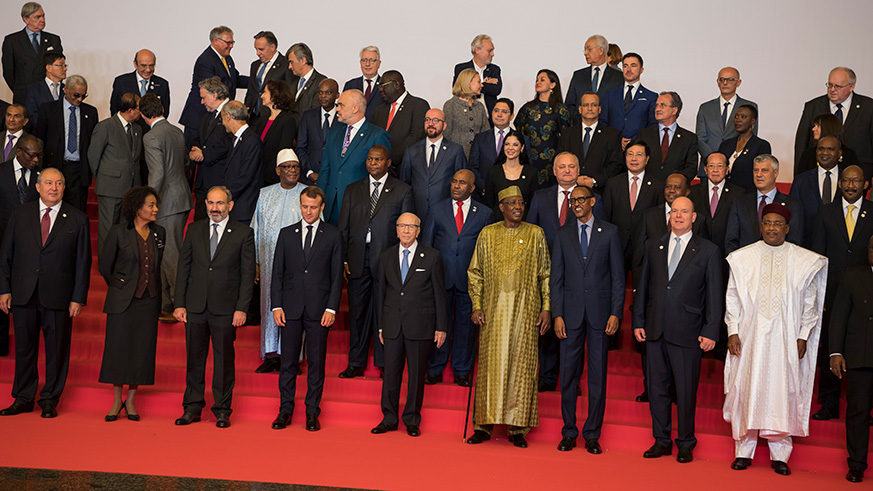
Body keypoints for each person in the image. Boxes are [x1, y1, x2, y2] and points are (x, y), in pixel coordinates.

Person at [723, 203, 827, 476]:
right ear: (761, 226)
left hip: (785, 339)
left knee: (781, 392)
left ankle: (780, 454)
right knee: (748, 388)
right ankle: (743, 451)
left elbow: (810, 303)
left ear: (787, 228)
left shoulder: (801, 260)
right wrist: (732, 330)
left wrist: (803, 335)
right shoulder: (743, 258)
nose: (771, 227)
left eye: (777, 223)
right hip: (750, 338)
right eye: (767, 223)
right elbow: (732, 297)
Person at [633, 197, 722, 464]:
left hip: (689, 331)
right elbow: (643, 286)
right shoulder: (654, 245)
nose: (679, 216)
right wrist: (638, 320)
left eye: (685, 212)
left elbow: (714, 295)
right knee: (657, 388)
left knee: (685, 390)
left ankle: (686, 441)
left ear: (694, 217)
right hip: (655, 329)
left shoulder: (708, 250)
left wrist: (711, 329)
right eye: (674, 211)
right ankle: (661, 439)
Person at [0, 167, 91, 419]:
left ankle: (50, 398)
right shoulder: (20, 214)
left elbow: (83, 263)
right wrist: (4, 289)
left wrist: (77, 297)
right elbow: (6, 254)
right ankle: (23, 397)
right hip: (23, 293)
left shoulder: (77, 218)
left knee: (57, 350)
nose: (53, 187)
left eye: (59, 183)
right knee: (24, 349)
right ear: (38, 187)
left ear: (64, 188)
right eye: (48, 183)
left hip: (59, 296)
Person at [466, 185, 551, 448]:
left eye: (521, 202)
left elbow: (545, 274)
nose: (517, 207)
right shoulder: (487, 234)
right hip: (492, 313)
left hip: (526, 314)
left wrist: (546, 307)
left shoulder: (536, 233)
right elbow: (475, 272)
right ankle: (483, 426)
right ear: (501, 207)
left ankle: (517, 429)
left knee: (522, 368)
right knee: (490, 368)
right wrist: (476, 305)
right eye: (511, 203)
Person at [173, 186, 256, 429]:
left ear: (230, 205)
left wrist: (242, 308)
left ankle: (222, 410)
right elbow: (184, 268)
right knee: (194, 360)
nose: (214, 208)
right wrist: (180, 303)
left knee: (223, 362)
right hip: (196, 306)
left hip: (226, 309)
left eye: (219, 203)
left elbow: (247, 274)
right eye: (210, 203)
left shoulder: (243, 233)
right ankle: (192, 408)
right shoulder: (194, 229)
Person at [551, 184, 624, 454]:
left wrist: (616, 312)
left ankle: (592, 433)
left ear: (592, 201)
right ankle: (569, 431)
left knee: (597, 377)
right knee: (568, 375)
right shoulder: (562, 235)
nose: (577, 204)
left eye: (581, 199)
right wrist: (557, 314)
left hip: (600, 316)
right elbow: (556, 279)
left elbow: (618, 278)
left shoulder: (610, 232)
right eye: (573, 200)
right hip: (569, 316)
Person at [337, 145, 413, 378]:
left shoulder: (402, 191)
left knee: (385, 313)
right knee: (357, 313)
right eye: (370, 159)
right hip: (358, 258)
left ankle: (384, 362)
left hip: (387, 261)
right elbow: (344, 228)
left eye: (378, 159)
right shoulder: (353, 189)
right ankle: (355, 362)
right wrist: (344, 260)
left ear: (388, 162)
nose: (373, 163)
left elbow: (407, 230)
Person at [271, 186, 342, 431]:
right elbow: (277, 272)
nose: (308, 211)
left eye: (313, 207)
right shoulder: (286, 234)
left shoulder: (333, 235)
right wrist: (276, 305)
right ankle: (285, 410)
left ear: (322, 207)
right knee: (288, 362)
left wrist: (332, 308)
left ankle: (312, 411)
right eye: (304, 206)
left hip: (319, 309)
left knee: (316, 363)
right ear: (299, 206)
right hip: (289, 308)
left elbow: (336, 277)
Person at [372, 212, 447, 437]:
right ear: (396, 230)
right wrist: (381, 326)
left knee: (416, 376)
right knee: (391, 374)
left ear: (418, 230)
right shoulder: (385, 256)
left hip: (421, 325)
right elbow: (381, 294)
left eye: (411, 227)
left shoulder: (432, 256)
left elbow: (439, 294)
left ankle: (412, 419)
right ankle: (389, 418)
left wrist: (441, 327)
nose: (406, 231)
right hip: (393, 325)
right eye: (402, 226)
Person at [810, 165, 873, 422]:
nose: (850, 185)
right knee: (830, 347)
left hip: (865, 295)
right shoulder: (825, 213)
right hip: (832, 291)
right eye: (846, 180)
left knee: (864, 348)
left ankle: (868, 408)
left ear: (865, 184)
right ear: (839, 183)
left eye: (856, 181)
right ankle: (829, 402)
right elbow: (817, 255)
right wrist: (819, 293)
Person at [98, 186, 164, 422]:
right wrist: (122, 286)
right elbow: (106, 266)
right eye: (151, 205)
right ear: (137, 209)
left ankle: (132, 402)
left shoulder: (160, 233)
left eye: (156, 205)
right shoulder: (118, 232)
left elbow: (158, 266)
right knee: (119, 350)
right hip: (123, 301)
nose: (156, 209)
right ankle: (117, 401)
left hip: (148, 301)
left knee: (141, 352)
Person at [420, 169, 491, 386]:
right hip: (441, 278)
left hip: (469, 281)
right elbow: (428, 245)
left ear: (472, 188)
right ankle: (435, 368)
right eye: (454, 181)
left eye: (462, 183)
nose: (456, 186)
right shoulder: (437, 209)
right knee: (439, 324)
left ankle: (462, 369)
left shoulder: (485, 213)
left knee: (465, 327)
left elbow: (487, 251)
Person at [251, 149, 304, 373]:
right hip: (269, 260)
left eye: (295, 167)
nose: (292, 170)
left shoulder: (308, 194)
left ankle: (292, 358)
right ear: (277, 170)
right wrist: (255, 262)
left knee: (294, 308)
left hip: (298, 264)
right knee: (268, 306)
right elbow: (256, 228)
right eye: (287, 167)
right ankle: (271, 355)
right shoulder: (265, 194)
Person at [140, 94, 192, 322]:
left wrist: (148, 203)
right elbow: (184, 164)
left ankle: (178, 304)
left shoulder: (151, 136)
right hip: (181, 198)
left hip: (166, 203)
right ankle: (164, 302)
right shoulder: (176, 131)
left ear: (143, 115)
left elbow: (157, 173)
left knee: (170, 255)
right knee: (166, 251)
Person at [830, 235, 873, 483]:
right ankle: (856, 464)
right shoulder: (852, 276)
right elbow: (838, 318)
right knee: (857, 412)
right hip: (860, 354)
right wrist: (835, 351)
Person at [317, 89, 390, 225]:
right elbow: (325, 170)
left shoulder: (377, 135)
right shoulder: (334, 133)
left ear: (355, 108)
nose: (336, 108)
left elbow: (382, 175)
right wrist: (319, 199)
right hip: (330, 206)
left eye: (341, 105)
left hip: (359, 207)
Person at [0, 134, 41, 356]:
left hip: (30, 247)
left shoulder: (41, 177)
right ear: (19, 152)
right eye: (32, 156)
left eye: (39, 156)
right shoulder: (2, 172)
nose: (36, 160)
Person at [34, 74, 98, 212]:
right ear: (65, 90)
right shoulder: (48, 109)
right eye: (76, 95)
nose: (79, 99)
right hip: (55, 167)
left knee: (77, 212)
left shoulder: (91, 112)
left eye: (83, 96)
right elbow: (40, 140)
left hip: (79, 171)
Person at [89, 93, 143, 255]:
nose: (141, 113)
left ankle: (121, 262)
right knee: (108, 229)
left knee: (125, 228)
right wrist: (104, 179)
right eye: (139, 109)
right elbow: (93, 156)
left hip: (131, 188)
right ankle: (106, 265)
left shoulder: (137, 129)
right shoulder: (105, 126)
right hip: (110, 188)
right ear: (130, 110)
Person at [632, 173, 705, 289]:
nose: (671, 191)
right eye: (668, 187)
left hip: (686, 288)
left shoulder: (698, 220)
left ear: (687, 192)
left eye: (677, 187)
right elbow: (639, 256)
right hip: (654, 286)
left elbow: (702, 259)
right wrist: (638, 288)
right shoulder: (648, 217)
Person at [179, 26, 248, 147]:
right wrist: (236, 108)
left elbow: (235, 80)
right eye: (228, 42)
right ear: (215, 41)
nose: (231, 46)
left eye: (232, 42)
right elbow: (216, 89)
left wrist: (259, 81)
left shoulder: (227, 59)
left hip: (212, 118)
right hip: (199, 118)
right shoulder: (205, 60)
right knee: (195, 156)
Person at [602, 140, 665, 273]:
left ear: (647, 159)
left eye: (639, 154)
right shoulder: (613, 183)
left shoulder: (657, 186)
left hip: (644, 247)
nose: (634, 158)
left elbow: (658, 221)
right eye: (630, 154)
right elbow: (606, 216)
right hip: (617, 244)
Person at [795, 67, 873, 170]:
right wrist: (798, 176)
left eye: (838, 86)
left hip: (857, 172)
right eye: (830, 85)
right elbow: (801, 143)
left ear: (851, 87)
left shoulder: (869, 107)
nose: (832, 89)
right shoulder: (813, 106)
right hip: (816, 172)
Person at [725, 154, 803, 254]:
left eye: (764, 170)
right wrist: (739, 265)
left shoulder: (792, 204)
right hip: (746, 265)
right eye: (756, 170)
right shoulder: (740, 202)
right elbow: (731, 240)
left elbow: (795, 242)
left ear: (776, 173)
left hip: (779, 264)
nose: (759, 174)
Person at [400, 108, 466, 221]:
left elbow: (462, 183)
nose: (430, 124)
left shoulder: (455, 150)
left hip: (446, 213)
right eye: (427, 120)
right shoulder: (411, 151)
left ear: (444, 125)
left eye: (435, 120)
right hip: (417, 212)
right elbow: (405, 183)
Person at [557, 92, 623, 194]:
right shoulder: (567, 134)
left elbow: (616, 165)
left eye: (594, 105)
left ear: (599, 109)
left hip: (600, 192)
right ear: (580, 109)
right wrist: (575, 178)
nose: (590, 108)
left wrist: (593, 181)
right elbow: (559, 161)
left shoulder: (612, 135)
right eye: (586, 105)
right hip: (571, 190)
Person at [514, 69, 571, 185]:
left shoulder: (561, 110)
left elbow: (567, 137)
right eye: (536, 80)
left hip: (552, 164)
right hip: (529, 161)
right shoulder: (527, 108)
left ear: (553, 85)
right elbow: (519, 133)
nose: (537, 82)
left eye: (542, 80)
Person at [695, 67, 758, 170]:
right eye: (722, 79)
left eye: (730, 79)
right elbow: (700, 138)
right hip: (709, 167)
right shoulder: (705, 108)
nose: (725, 82)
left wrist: (730, 162)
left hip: (737, 167)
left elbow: (751, 137)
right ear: (717, 82)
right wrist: (713, 161)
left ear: (738, 83)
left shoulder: (749, 107)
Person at [2, 2, 63, 104]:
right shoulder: (12, 41)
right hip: (24, 96)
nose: (42, 20)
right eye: (37, 17)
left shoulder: (53, 39)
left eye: (43, 16)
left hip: (48, 95)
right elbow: (8, 72)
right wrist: (20, 89)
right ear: (26, 19)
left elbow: (58, 67)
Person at [372, 70, 431, 175]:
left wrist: (391, 159)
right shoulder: (379, 110)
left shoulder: (418, 105)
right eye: (379, 86)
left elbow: (416, 136)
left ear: (396, 84)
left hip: (406, 169)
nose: (380, 89)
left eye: (383, 85)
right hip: (381, 171)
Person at [188, 77, 230, 221]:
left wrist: (204, 154)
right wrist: (194, 151)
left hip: (219, 180)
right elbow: (199, 138)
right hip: (202, 181)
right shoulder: (208, 115)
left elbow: (228, 143)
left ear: (214, 95)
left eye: (203, 98)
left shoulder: (231, 112)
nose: (202, 102)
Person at [689, 152, 744, 257]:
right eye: (711, 166)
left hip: (726, 251)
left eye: (720, 166)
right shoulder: (694, 192)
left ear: (727, 170)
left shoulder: (738, 193)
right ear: (705, 170)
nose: (715, 170)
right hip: (699, 251)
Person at [790, 136, 841, 247]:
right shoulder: (800, 181)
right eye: (820, 149)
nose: (825, 153)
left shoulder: (847, 181)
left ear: (839, 153)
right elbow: (794, 217)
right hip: (808, 245)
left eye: (830, 149)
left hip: (840, 247)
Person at [600, 53, 657, 149]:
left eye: (633, 65)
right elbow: (603, 122)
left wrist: (635, 142)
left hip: (638, 150)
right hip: (612, 149)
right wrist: (617, 140)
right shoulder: (610, 94)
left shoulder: (651, 97)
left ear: (641, 70)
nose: (629, 69)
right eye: (625, 66)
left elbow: (652, 127)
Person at [636, 92, 698, 182]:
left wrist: (677, 182)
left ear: (674, 110)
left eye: (662, 105)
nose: (657, 109)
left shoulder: (689, 138)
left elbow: (691, 168)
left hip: (675, 190)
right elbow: (638, 162)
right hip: (648, 188)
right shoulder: (644, 135)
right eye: (656, 105)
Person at [220, 100, 263, 224]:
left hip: (243, 207)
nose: (222, 123)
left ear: (228, 116)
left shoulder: (251, 140)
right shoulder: (240, 139)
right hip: (236, 205)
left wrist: (224, 197)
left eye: (222, 118)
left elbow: (245, 176)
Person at [109, 49, 171, 133]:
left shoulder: (162, 84)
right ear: (135, 64)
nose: (148, 70)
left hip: (151, 134)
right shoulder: (121, 82)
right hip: (127, 133)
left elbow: (164, 111)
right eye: (143, 65)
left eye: (151, 65)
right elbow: (115, 108)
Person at [565, 35, 623, 122]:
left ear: (601, 50)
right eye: (585, 50)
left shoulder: (618, 76)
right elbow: (569, 105)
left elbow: (621, 107)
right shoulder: (578, 75)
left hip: (609, 131)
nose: (585, 53)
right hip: (581, 130)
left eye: (589, 49)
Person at [483, 130, 538, 221]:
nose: (510, 148)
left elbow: (533, 204)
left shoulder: (531, 172)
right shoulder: (493, 171)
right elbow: (489, 203)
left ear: (522, 147)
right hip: (497, 224)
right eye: (507, 144)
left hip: (524, 224)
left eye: (515, 145)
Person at [718, 105, 771, 192]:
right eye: (736, 116)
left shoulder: (761, 145)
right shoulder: (726, 144)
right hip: (725, 193)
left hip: (747, 194)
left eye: (743, 117)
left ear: (753, 121)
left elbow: (761, 174)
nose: (738, 119)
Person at [254, 79, 297, 186]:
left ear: (274, 95)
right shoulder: (263, 120)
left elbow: (283, 151)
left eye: (265, 92)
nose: (262, 96)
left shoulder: (287, 121)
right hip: (258, 174)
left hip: (273, 178)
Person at [245, 31, 294, 124]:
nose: (257, 53)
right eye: (256, 49)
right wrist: (247, 109)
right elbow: (251, 90)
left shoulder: (285, 65)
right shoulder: (255, 65)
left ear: (272, 47)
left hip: (273, 119)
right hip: (253, 118)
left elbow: (289, 93)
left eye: (261, 49)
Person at [296, 78, 339, 185]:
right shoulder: (308, 116)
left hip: (335, 179)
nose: (323, 96)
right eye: (320, 92)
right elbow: (300, 148)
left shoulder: (344, 117)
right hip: (309, 179)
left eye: (328, 93)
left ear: (337, 95)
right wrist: (309, 172)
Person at [469, 98, 513, 200]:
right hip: (484, 196)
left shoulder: (520, 139)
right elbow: (472, 167)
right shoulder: (480, 138)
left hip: (510, 196)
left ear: (511, 116)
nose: (499, 114)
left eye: (504, 111)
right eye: (496, 110)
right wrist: (484, 187)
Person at [795, 113, 862, 177]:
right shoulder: (808, 154)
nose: (813, 129)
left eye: (817, 126)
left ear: (828, 128)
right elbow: (800, 180)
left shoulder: (849, 155)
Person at [443, 69, 490, 160]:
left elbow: (485, 133)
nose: (481, 85)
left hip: (477, 158)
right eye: (479, 82)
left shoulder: (479, 106)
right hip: (455, 158)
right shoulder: (450, 105)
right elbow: (446, 135)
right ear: (468, 83)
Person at [452, 34, 502, 114]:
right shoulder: (462, 68)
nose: (492, 54)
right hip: (465, 115)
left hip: (489, 117)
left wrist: (473, 86)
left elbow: (496, 90)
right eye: (489, 51)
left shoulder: (494, 69)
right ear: (477, 50)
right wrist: (484, 84)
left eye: (492, 51)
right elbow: (459, 90)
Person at [286, 42, 326, 122]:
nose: (289, 67)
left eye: (291, 62)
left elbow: (314, 114)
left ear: (303, 60)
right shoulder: (292, 81)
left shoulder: (321, 82)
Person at [23, 52, 64, 129]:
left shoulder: (67, 90)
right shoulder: (33, 89)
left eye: (65, 65)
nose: (65, 69)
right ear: (49, 68)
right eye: (61, 65)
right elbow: (33, 115)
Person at [343, 46, 384, 121]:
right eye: (364, 60)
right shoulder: (351, 85)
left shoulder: (385, 85)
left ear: (379, 63)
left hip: (378, 130)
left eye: (372, 60)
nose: (367, 64)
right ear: (360, 63)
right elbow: (344, 110)